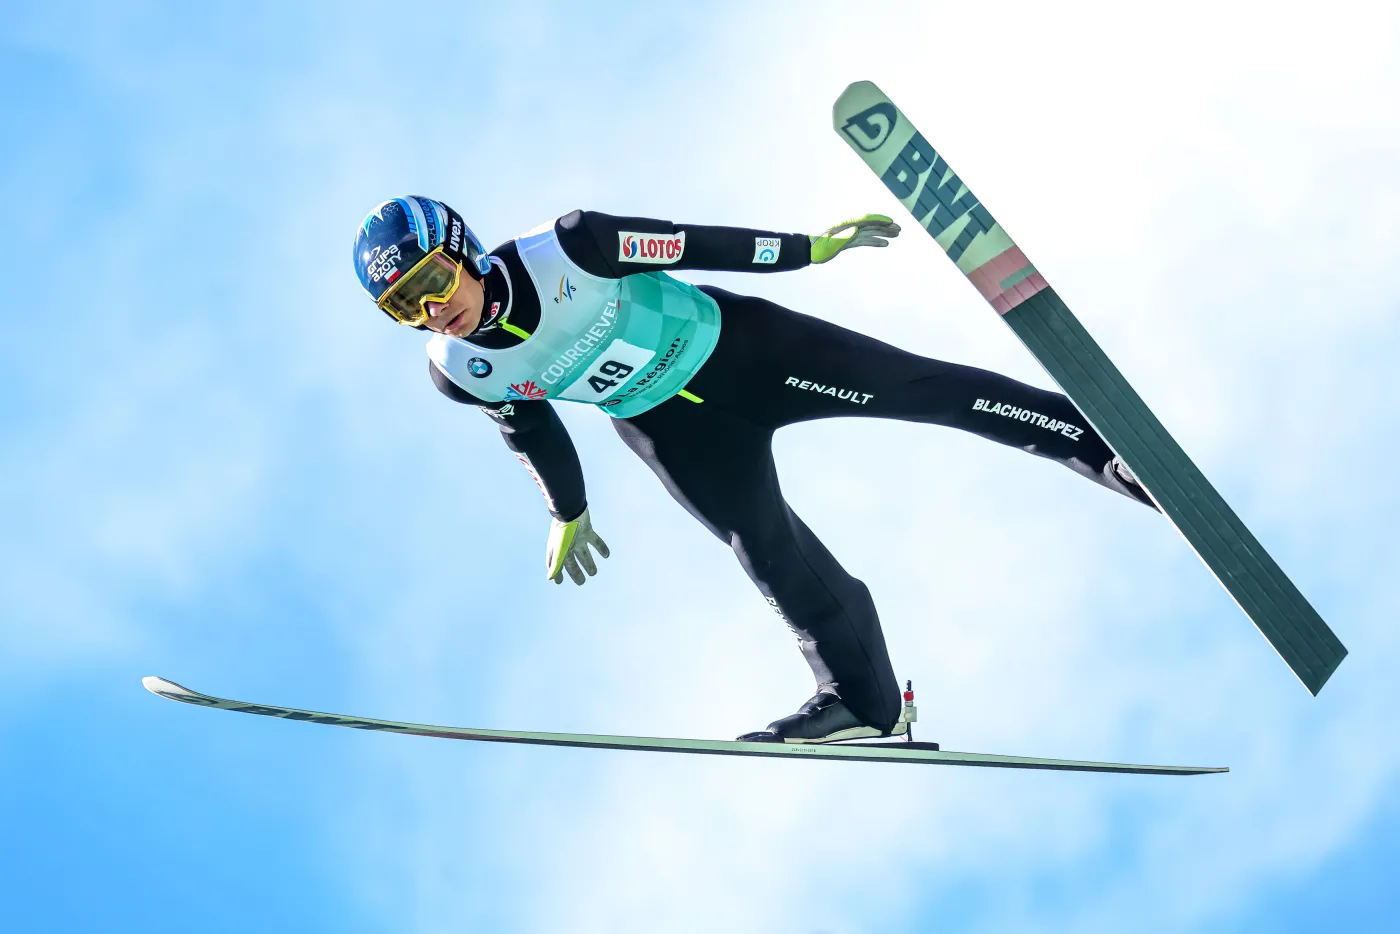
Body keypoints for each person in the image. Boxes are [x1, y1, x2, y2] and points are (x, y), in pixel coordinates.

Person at [352, 197, 1155, 744]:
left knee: (923, 391)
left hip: (746, 352)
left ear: (457, 250)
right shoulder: (458, 369)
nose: (429, 309)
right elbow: (532, 431)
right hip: (671, 430)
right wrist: (569, 511)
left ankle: (1107, 452)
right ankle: (865, 705)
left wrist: (809, 250)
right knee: (767, 555)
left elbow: (696, 243)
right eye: (402, 306)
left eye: (428, 283)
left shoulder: (572, 246)